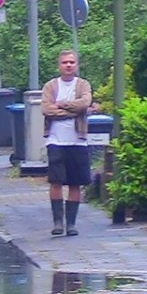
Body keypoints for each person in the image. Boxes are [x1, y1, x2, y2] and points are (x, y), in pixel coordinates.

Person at [41, 50, 93, 237]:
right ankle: (57, 222)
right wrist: (73, 109)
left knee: (75, 183)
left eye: (72, 62)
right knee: (55, 181)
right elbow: (46, 109)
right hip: (56, 140)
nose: (68, 65)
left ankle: (71, 224)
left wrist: (61, 105)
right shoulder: (50, 86)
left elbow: (85, 103)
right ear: (59, 65)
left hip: (77, 141)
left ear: (76, 65)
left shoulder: (83, 85)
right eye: (65, 62)